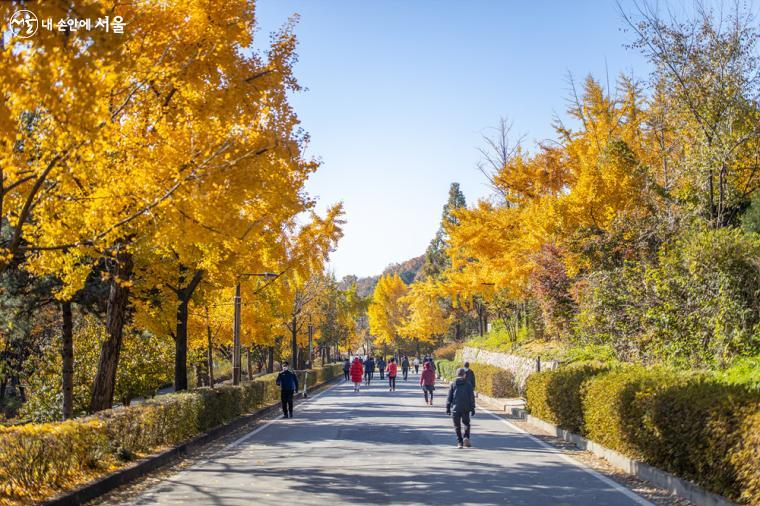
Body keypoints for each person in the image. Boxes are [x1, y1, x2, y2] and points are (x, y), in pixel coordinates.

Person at [446, 367, 476, 448]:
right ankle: (466, 437)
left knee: (457, 426)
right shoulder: (468, 384)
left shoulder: (453, 384)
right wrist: (473, 408)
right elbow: (471, 397)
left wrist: (448, 408)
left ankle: (459, 442)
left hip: (456, 408)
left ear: (457, 374)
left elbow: (449, 397)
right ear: (464, 375)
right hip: (466, 408)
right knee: (466, 424)